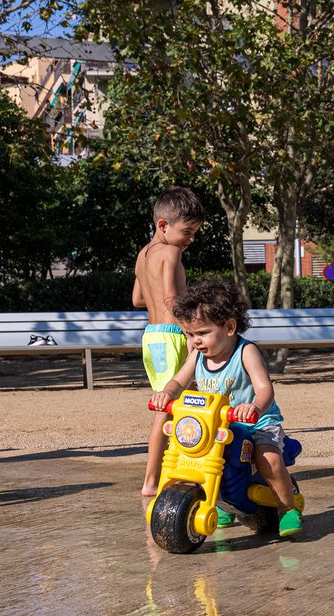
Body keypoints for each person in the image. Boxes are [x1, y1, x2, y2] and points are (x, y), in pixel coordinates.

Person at [150, 280, 304, 537]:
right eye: (190, 335)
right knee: (195, 457)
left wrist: (254, 406)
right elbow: (179, 380)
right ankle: (221, 501)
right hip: (217, 424)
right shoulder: (198, 355)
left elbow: (265, 388)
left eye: (202, 333)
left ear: (229, 326)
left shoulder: (246, 352)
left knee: (268, 458)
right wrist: (166, 393)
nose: (195, 341)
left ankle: (287, 508)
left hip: (256, 423)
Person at [133, 187, 205, 497]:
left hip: (152, 338)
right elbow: (170, 298)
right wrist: (192, 333)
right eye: (187, 231)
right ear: (163, 226)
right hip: (173, 335)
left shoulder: (143, 254)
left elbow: (138, 299)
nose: (191, 239)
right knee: (176, 406)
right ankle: (154, 479)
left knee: (169, 405)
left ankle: (166, 472)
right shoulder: (171, 252)